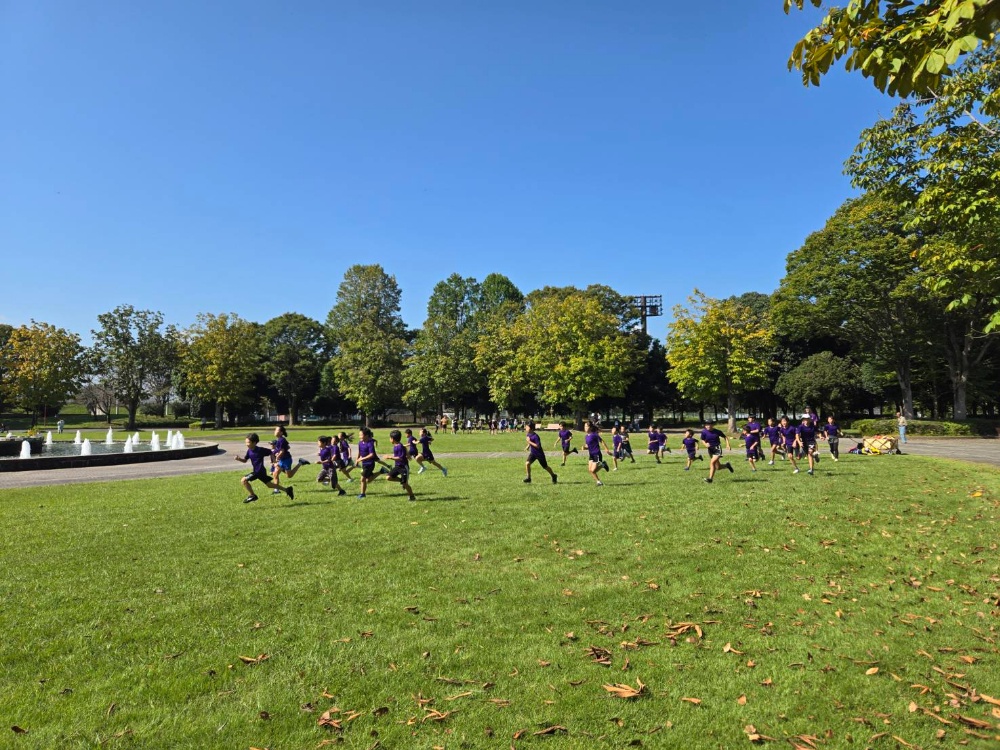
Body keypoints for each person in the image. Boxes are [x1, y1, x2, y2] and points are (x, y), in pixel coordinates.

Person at [235, 432, 294, 504]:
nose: (246, 444)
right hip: (260, 472)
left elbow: (270, 452)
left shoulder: (260, 450)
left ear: (254, 442)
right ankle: (287, 490)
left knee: (243, 480)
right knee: (269, 485)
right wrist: (239, 459)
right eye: (246, 442)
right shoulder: (249, 451)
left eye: (248, 442)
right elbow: (245, 460)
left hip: (258, 471)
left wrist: (274, 462)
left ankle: (252, 495)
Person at [270, 425, 309, 494]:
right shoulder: (280, 440)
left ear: (281, 432)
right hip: (282, 460)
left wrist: (277, 456)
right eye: (275, 430)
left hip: (286, 460)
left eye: (277, 430)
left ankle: (300, 463)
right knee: (275, 474)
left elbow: (282, 451)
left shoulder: (281, 440)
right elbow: (288, 447)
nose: (275, 431)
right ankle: (276, 490)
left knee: (289, 476)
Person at [383, 429, 416, 501]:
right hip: (397, 466)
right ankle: (402, 480)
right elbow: (404, 449)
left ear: (393, 439)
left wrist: (390, 457)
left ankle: (412, 496)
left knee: (405, 484)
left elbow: (400, 458)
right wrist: (407, 454)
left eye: (390, 438)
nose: (389, 439)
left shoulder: (399, 446)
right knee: (388, 477)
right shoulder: (396, 445)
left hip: (403, 467)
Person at [355, 427, 380, 499]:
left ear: (366, 435)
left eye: (361, 435)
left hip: (370, 464)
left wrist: (362, 458)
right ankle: (381, 471)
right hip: (364, 464)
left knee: (362, 479)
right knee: (367, 480)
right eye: (359, 435)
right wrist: (357, 460)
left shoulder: (370, 444)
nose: (359, 437)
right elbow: (359, 452)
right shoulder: (360, 443)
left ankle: (362, 494)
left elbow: (371, 454)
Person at [584, 421, 611, 485]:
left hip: (597, 454)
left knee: (593, 470)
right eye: (584, 426)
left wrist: (606, 449)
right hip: (591, 455)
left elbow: (602, 441)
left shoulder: (594, 435)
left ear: (590, 427)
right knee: (590, 470)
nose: (585, 428)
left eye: (586, 426)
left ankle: (602, 465)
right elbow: (588, 445)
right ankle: (598, 482)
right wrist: (585, 447)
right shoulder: (586, 436)